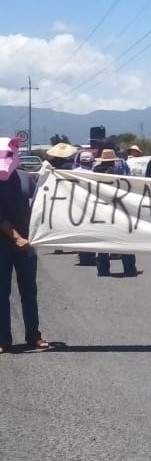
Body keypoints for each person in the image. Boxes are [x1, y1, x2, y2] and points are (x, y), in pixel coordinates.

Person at [0, 136, 49, 353]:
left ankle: (33, 336)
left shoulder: (25, 178)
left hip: (27, 245)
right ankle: (3, 339)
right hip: (4, 245)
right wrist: (17, 237)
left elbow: (42, 203)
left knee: (29, 290)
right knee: (1, 293)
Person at [93, 149, 140, 277]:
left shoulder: (95, 173)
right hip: (119, 208)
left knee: (103, 240)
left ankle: (103, 269)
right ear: (114, 160)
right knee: (125, 239)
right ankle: (129, 268)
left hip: (101, 209)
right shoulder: (118, 173)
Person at [73, 151, 98, 265]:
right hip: (91, 205)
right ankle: (89, 255)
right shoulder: (94, 173)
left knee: (81, 231)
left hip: (77, 206)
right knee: (91, 231)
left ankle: (83, 254)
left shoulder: (73, 173)